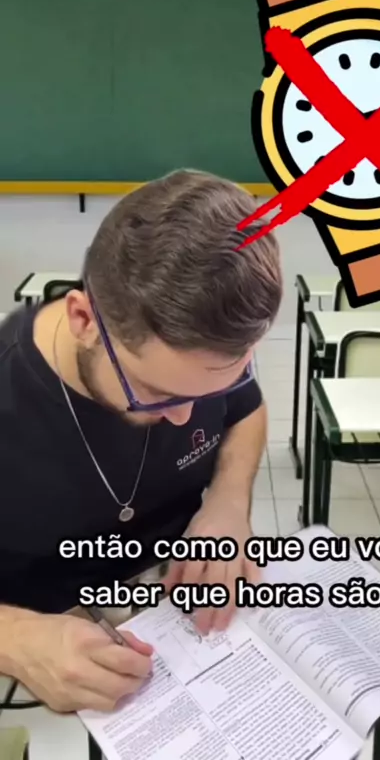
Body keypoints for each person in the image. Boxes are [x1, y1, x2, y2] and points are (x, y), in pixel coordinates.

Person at [0, 169, 282, 714]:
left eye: (213, 388)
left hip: (172, 616)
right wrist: (13, 639)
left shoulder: (201, 355)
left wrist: (228, 506)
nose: (185, 416)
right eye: (155, 393)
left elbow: (246, 412)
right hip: (40, 648)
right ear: (83, 319)